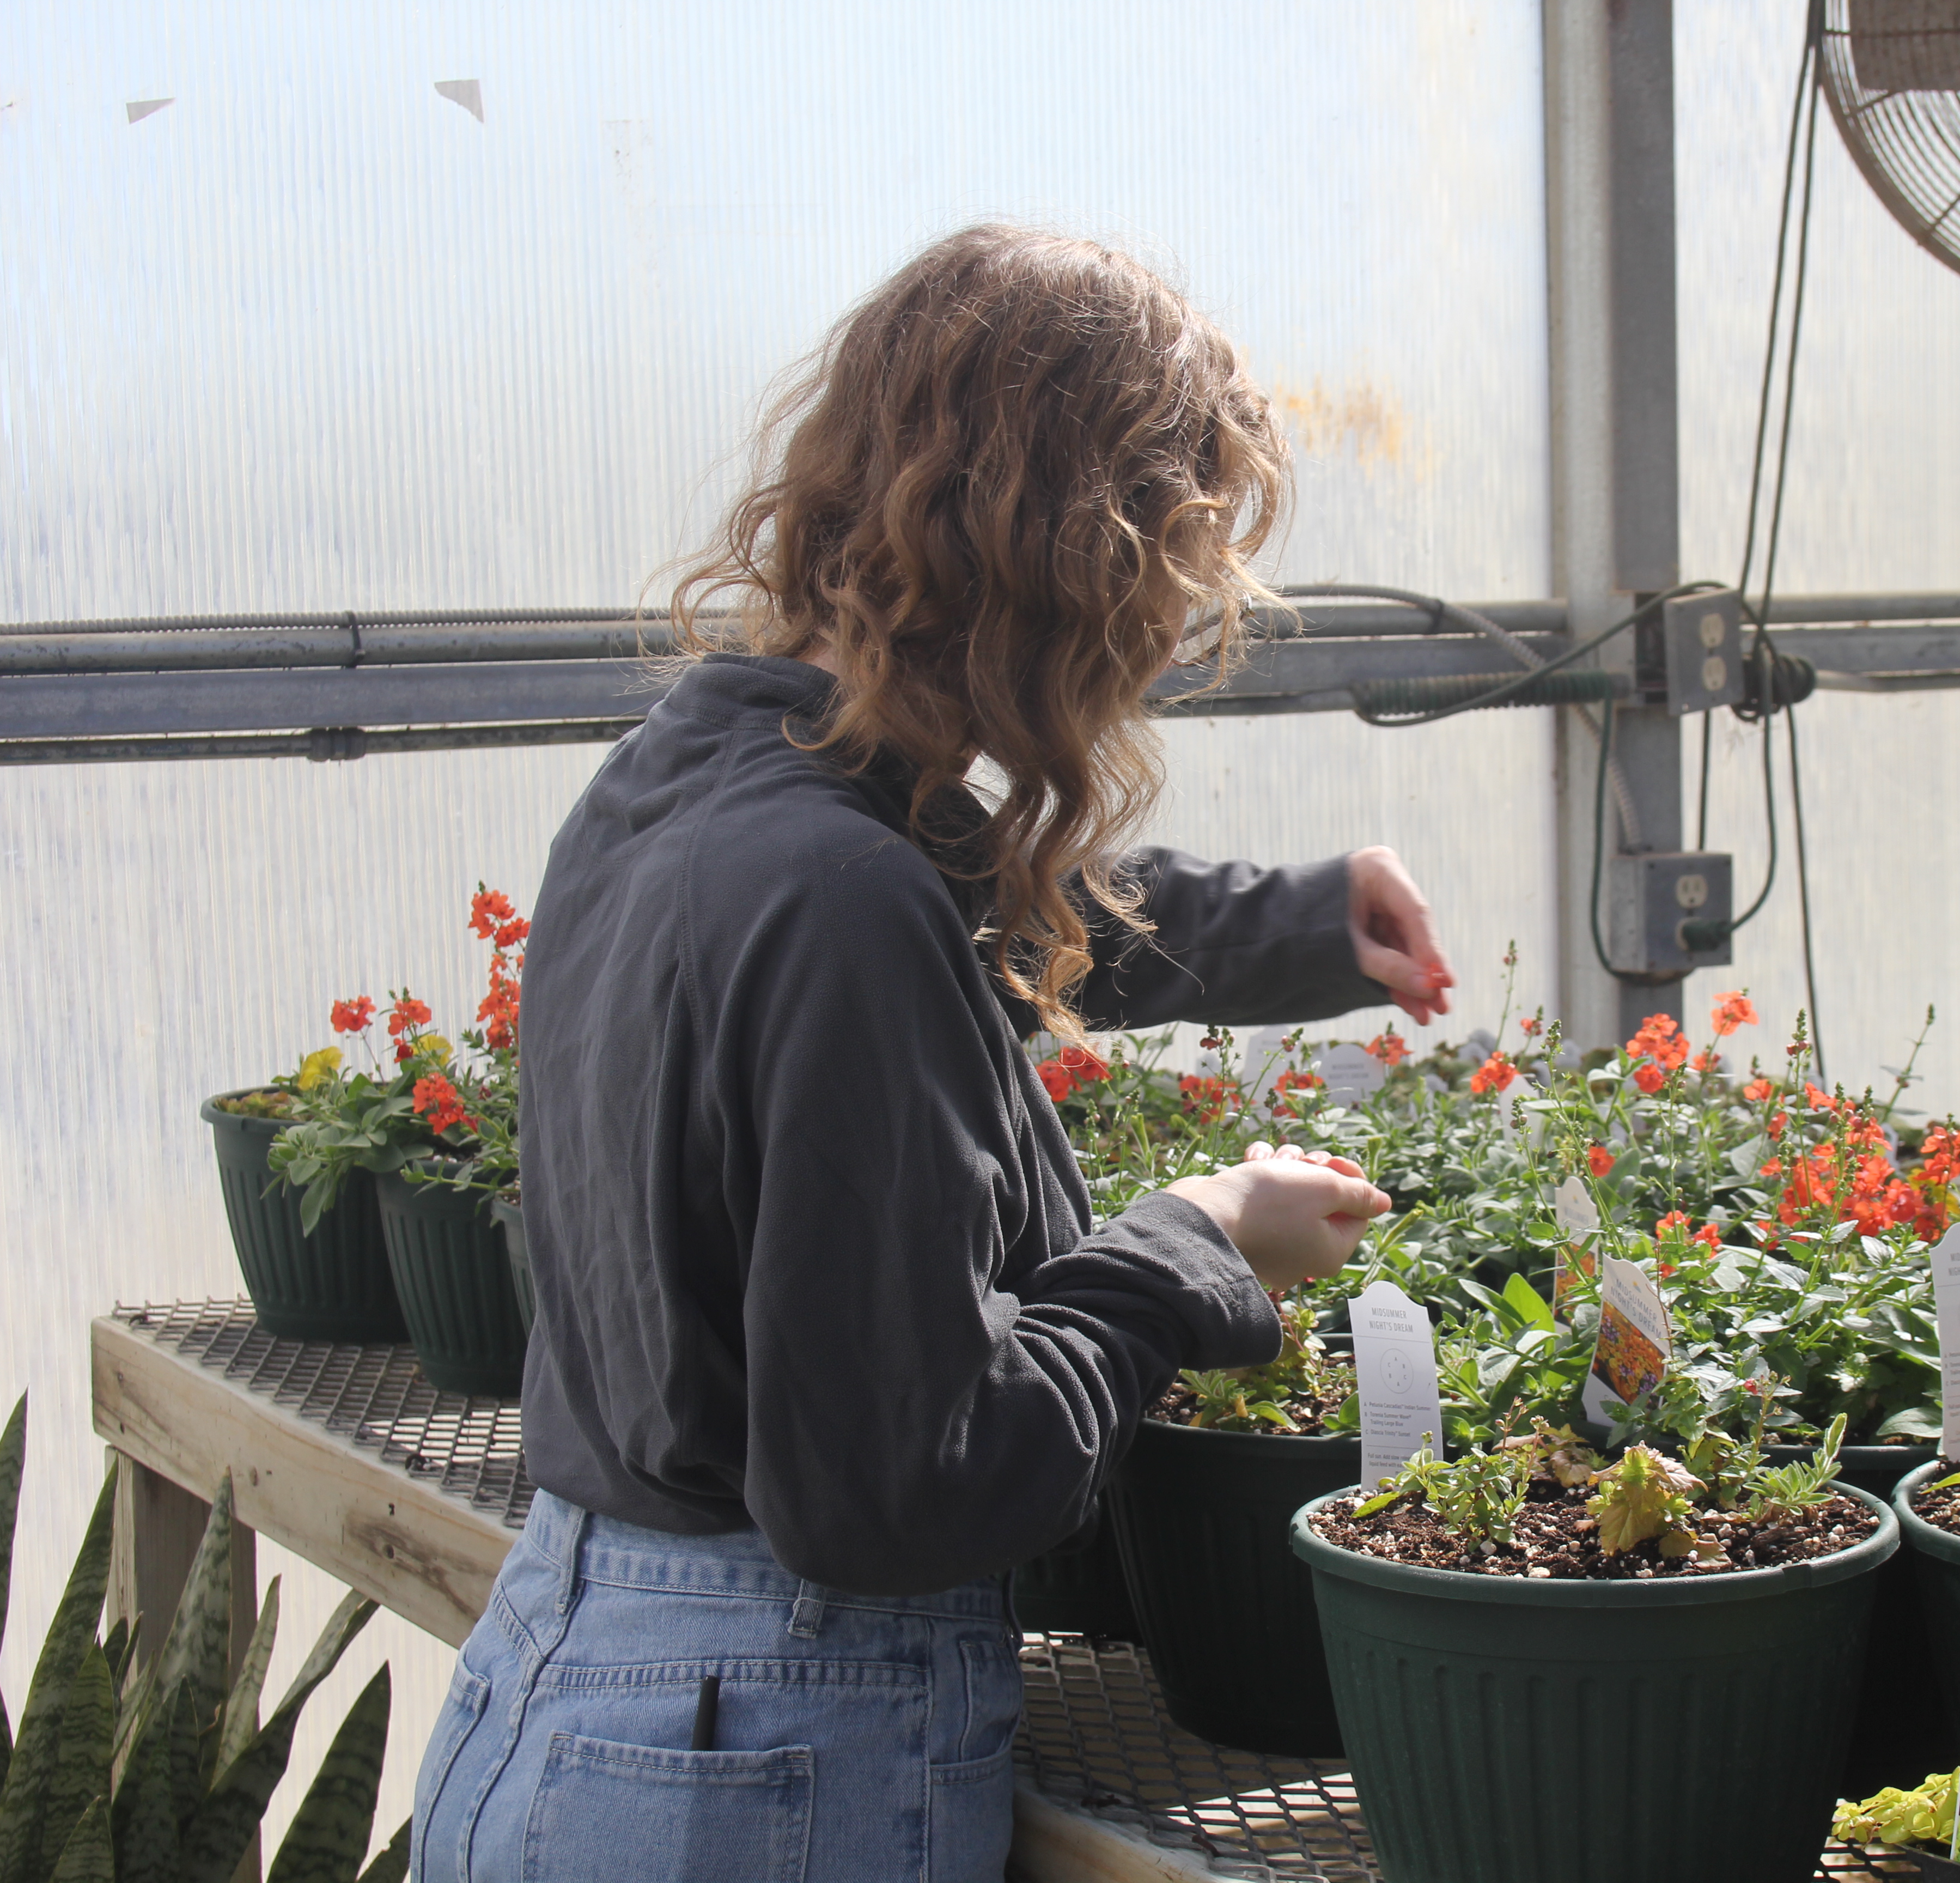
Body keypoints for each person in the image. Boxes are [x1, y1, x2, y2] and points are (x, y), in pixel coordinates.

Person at [411, 224, 1454, 1883]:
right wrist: (1189, 1241)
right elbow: (904, 1490)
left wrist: (1310, 923)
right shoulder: (843, 896)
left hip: (577, 1679)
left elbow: (988, 910)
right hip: (758, 1754)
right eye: (1176, 562)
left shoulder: (686, 783)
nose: (1180, 627)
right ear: (1071, 563)